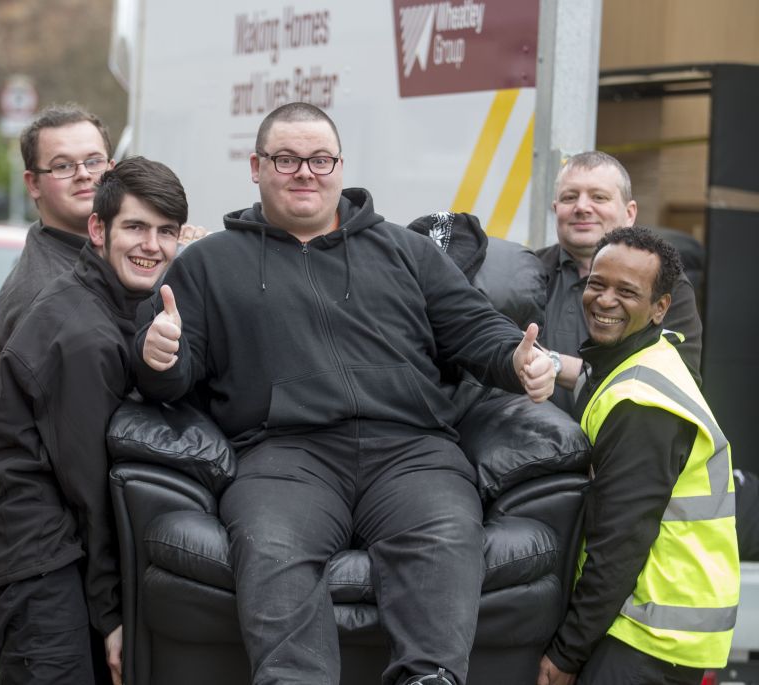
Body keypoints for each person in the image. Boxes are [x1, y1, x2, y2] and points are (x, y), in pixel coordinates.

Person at [133, 102, 555, 685]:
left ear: (339, 166)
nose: (305, 172)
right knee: (271, 546)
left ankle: (429, 679)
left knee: (445, 535)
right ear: (256, 167)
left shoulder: (407, 252)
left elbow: (475, 328)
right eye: (287, 159)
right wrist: (158, 355)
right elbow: (172, 374)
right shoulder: (208, 264)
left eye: (320, 159)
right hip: (285, 457)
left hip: (412, 451)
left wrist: (517, 358)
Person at [0, 156, 187, 685]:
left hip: (59, 554)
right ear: (98, 228)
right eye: (135, 227)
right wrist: (112, 614)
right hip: (37, 566)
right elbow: (90, 486)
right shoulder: (81, 331)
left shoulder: (118, 305)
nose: (151, 246)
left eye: (166, 232)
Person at [538, 226, 738, 685]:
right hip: (651, 624)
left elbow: (619, 543)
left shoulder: (641, 402)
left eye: (627, 291)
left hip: (647, 633)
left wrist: (568, 651)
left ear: (660, 308)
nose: (605, 300)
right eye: (597, 284)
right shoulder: (641, 360)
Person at [0, 103, 206, 375]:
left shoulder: (102, 260)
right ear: (33, 183)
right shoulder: (45, 293)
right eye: (63, 165)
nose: (83, 174)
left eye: (93, 161)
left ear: (112, 170)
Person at [537, 151, 702, 414]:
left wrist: (554, 363)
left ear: (629, 213)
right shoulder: (526, 273)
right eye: (570, 197)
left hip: (616, 447)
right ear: (556, 209)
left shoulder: (666, 285)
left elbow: (670, 380)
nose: (582, 207)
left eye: (598, 197)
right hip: (531, 448)